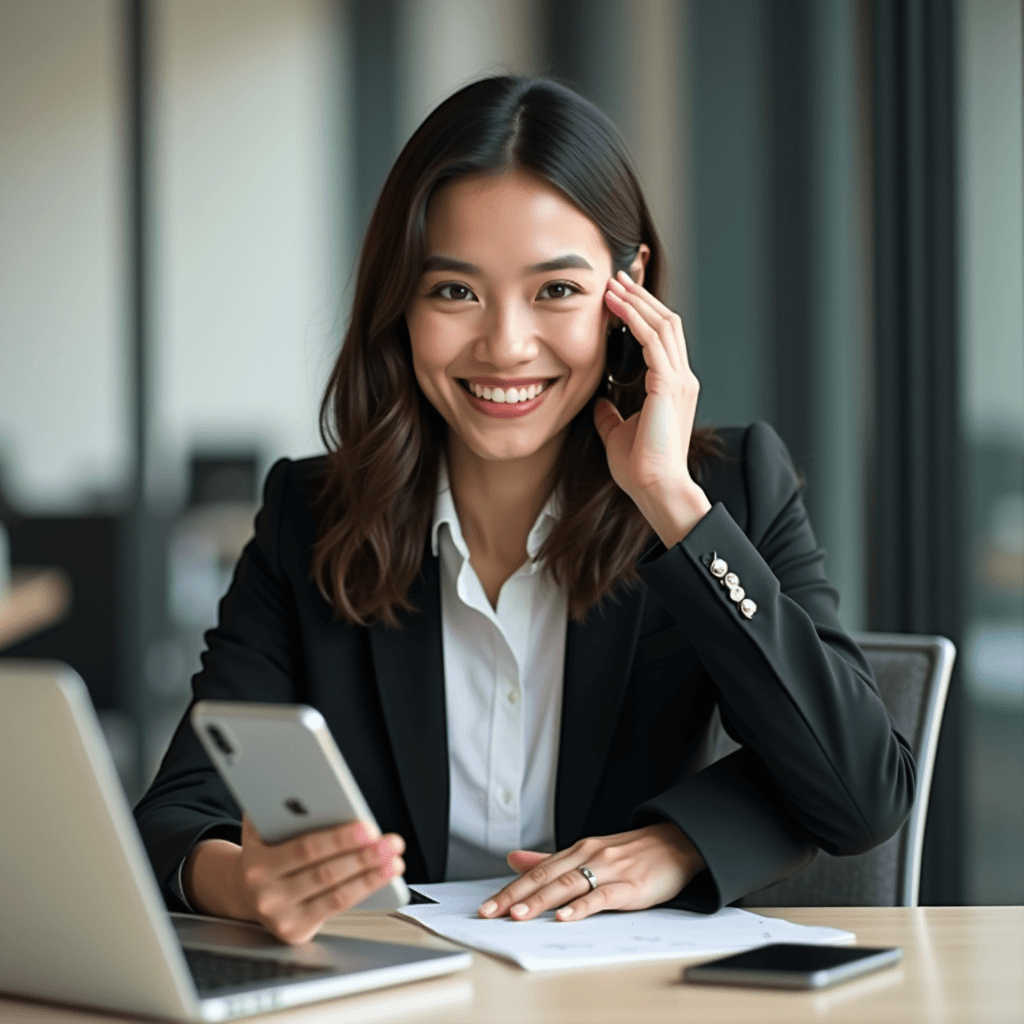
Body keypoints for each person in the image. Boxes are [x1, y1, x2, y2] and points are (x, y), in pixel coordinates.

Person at [134, 75, 915, 946]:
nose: (506, 345)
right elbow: (176, 812)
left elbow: (860, 792)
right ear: (401, 300)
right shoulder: (308, 513)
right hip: (394, 989)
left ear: (631, 290)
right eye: (455, 292)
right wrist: (245, 881)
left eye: (556, 291)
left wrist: (680, 844)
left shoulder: (723, 493)